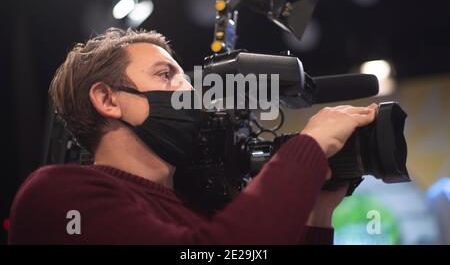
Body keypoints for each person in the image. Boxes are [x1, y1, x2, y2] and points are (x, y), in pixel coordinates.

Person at [8, 28, 377, 244]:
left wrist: (318, 212)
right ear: (107, 99)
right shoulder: (58, 193)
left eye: (185, 77)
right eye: (165, 75)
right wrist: (306, 148)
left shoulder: (196, 207)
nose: (189, 90)